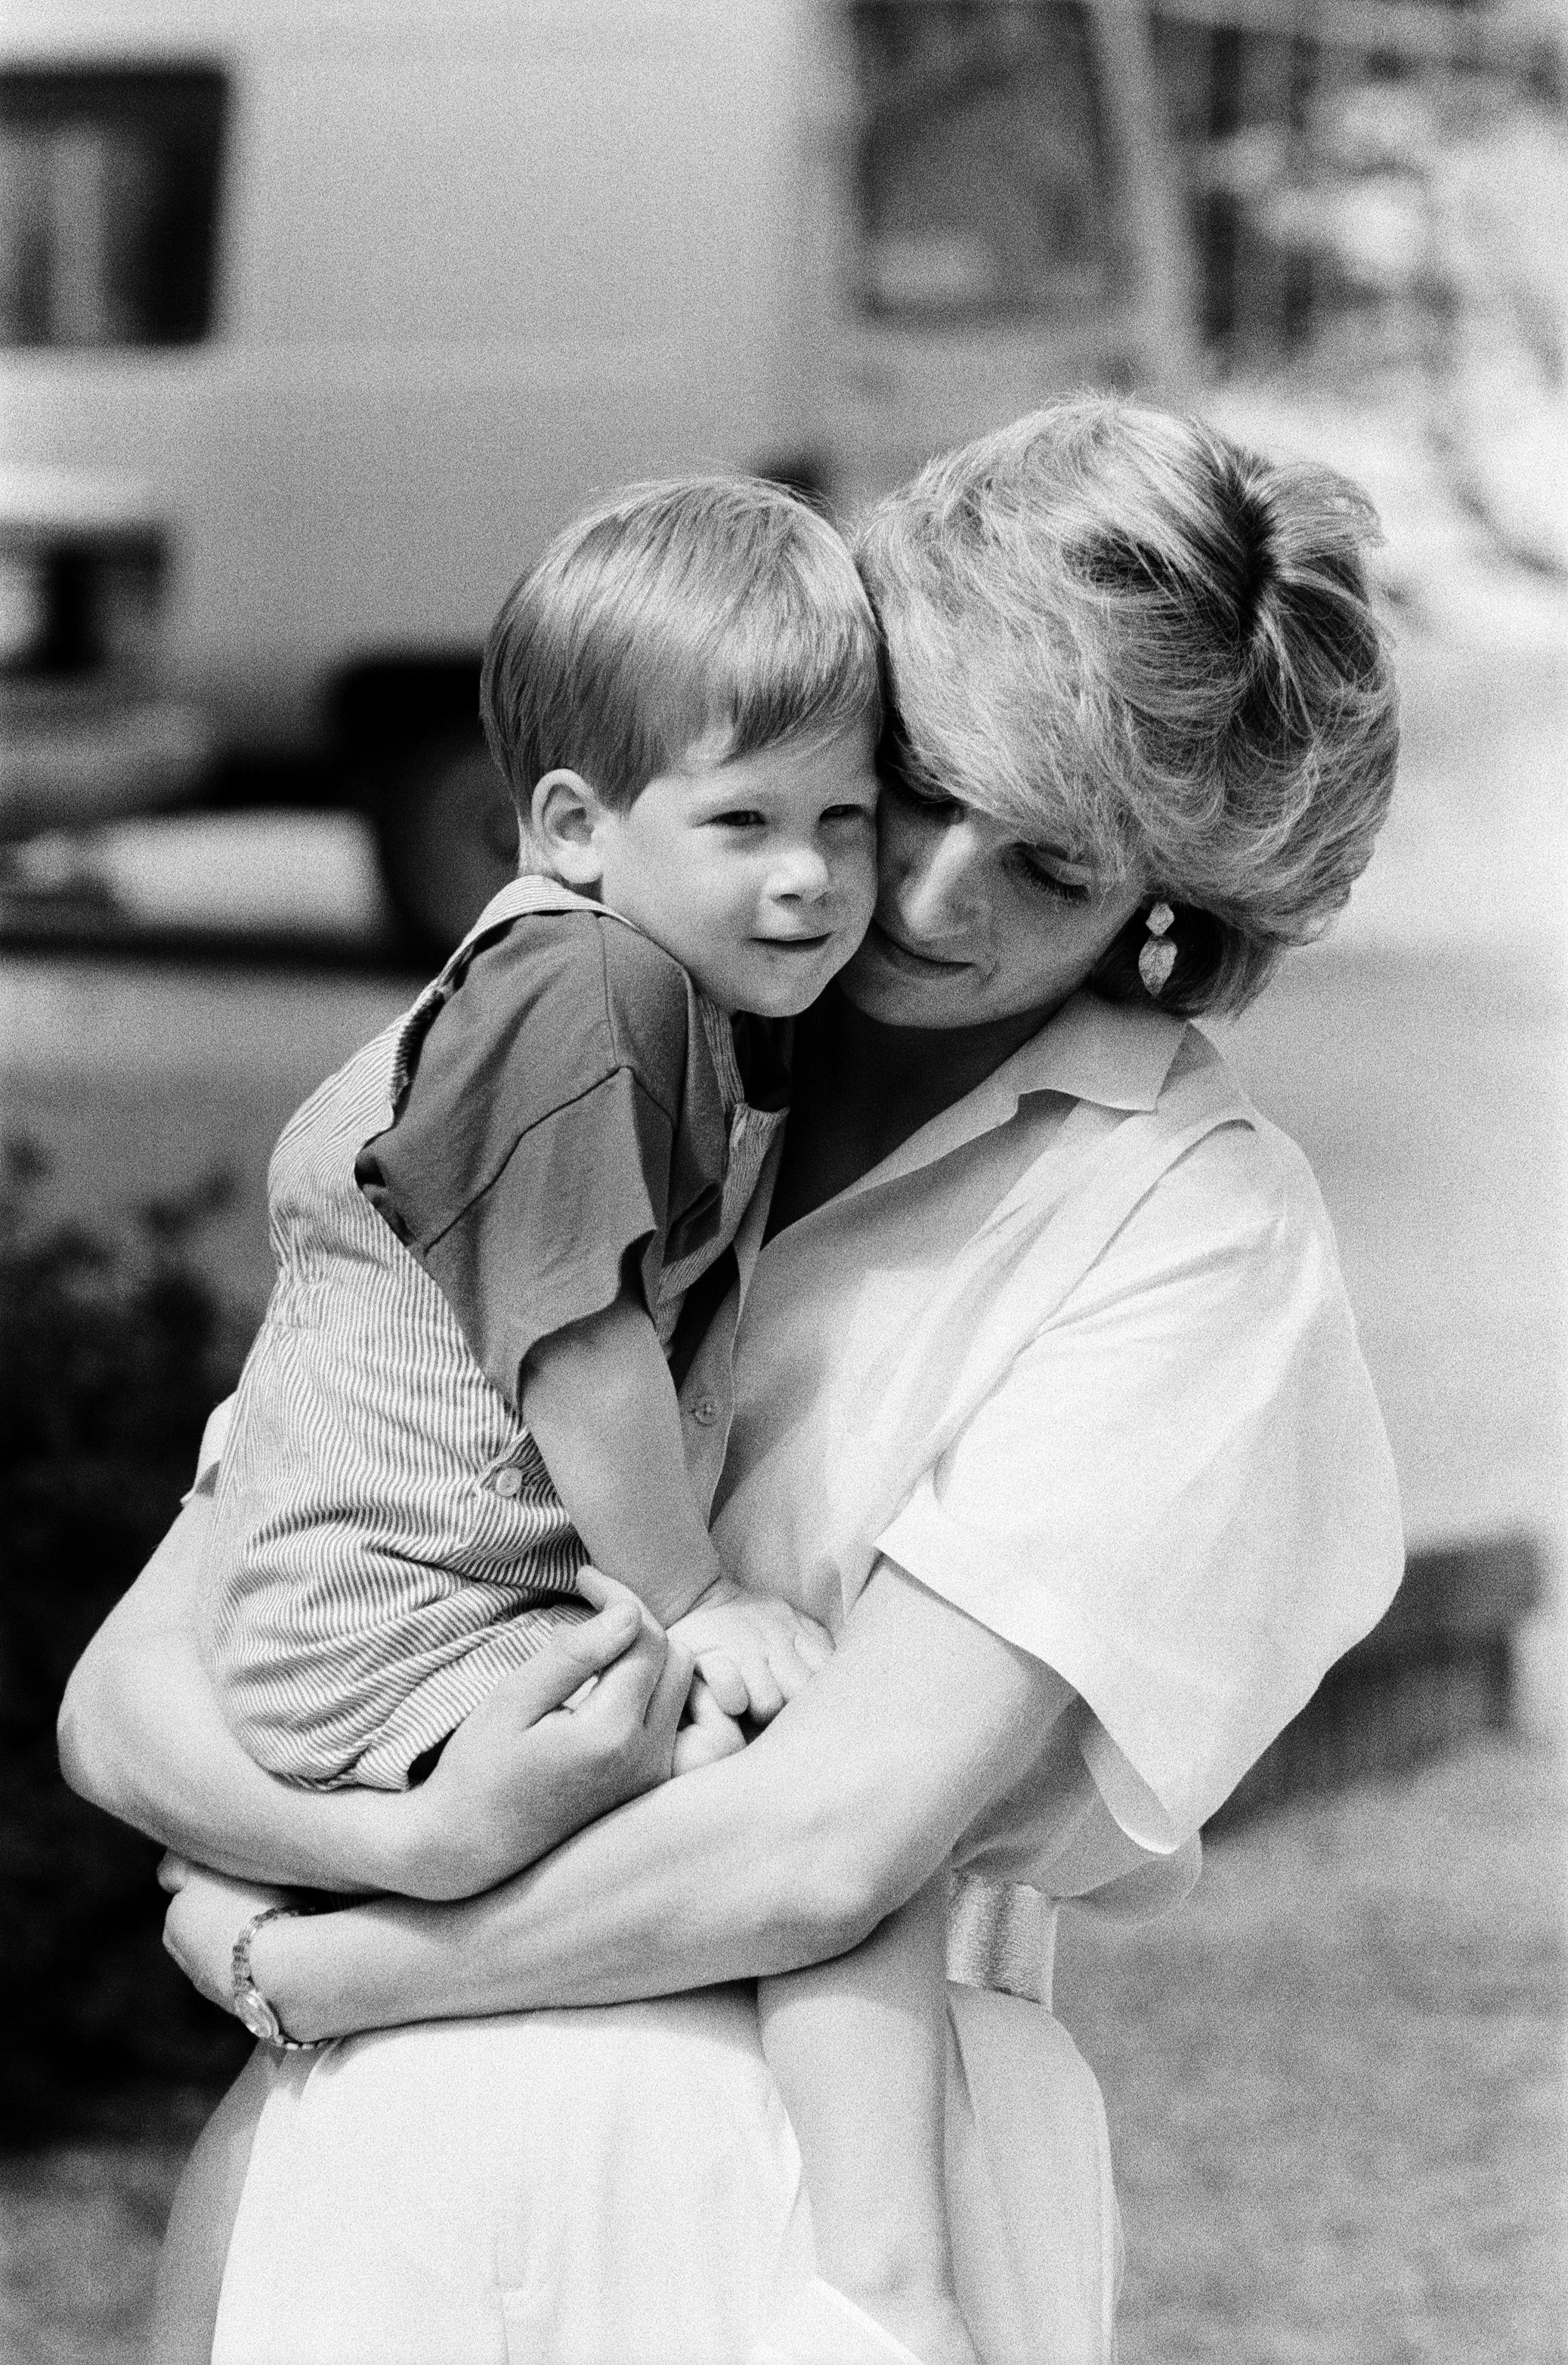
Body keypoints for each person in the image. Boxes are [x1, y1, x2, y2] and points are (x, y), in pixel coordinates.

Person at [60, 395, 1406, 2365]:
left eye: (1047, 866)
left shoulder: (1185, 1227)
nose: (924, 898)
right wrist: (396, 1851)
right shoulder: (579, 1032)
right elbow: (132, 1685)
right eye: (912, 788)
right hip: (379, 2164)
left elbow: (831, 1838)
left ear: (1169, 909)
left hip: (787, 2205)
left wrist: (338, 1960)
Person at [182, 472, 993, 2364]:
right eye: (745, 822)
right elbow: (576, 1345)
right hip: (409, 1625)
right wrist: (698, 1596)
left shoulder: (638, 980)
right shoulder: (586, 987)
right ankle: (889, 2297)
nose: (813, 877)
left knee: (804, 1816)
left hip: (401, 1610)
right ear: (569, 825)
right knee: (833, 1802)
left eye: (848, 820)